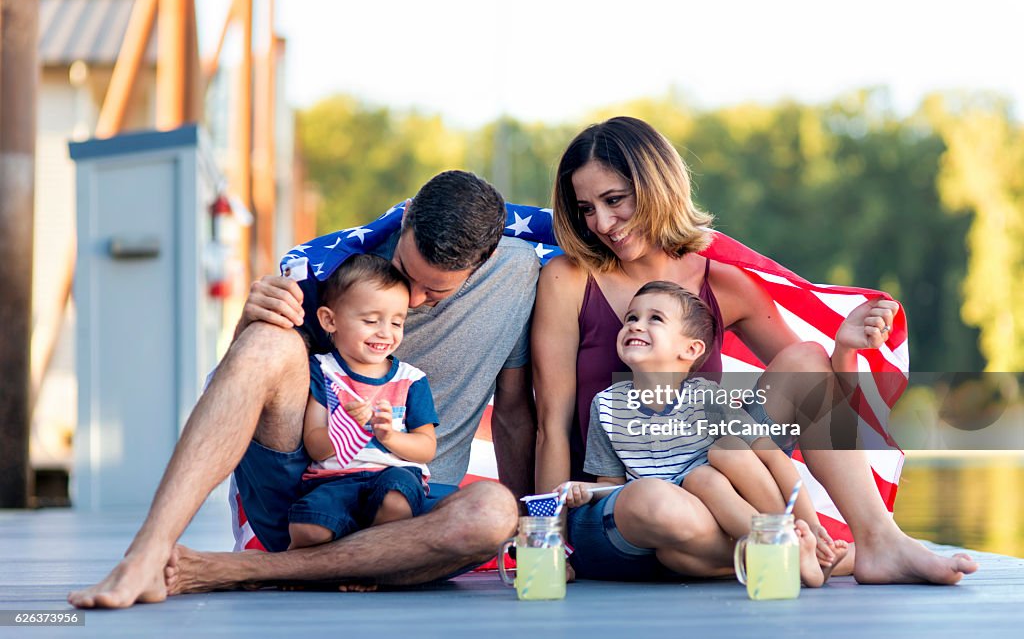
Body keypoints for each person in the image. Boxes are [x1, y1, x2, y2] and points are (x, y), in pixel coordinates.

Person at [533, 116, 978, 584]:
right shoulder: (569, 279)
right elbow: (551, 426)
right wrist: (549, 542)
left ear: (655, 186)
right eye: (586, 208)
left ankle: (877, 542)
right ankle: (792, 549)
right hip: (622, 505)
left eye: (615, 200)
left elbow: (820, 397)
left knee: (807, 359)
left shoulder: (722, 282)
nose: (602, 223)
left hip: (715, 493)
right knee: (658, 503)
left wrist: (843, 352)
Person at [69, 170, 539, 608]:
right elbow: (251, 380)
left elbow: (514, 412)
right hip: (308, 499)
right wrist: (249, 322)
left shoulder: (518, 275)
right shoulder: (331, 271)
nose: (411, 299)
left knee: (496, 513)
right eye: (403, 270)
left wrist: (534, 534)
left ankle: (243, 571)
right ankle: (148, 552)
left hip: (408, 516)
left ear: (488, 259)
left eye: (434, 292)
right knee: (268, 340)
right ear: (408, 215)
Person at [560, 280, 845, 584]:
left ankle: (786, 538)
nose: (636, 326)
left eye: (654, 318)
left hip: (720, 500)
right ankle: (785, 554)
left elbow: (773, 458)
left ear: (691, 349)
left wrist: (809, 523)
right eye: (631, 318)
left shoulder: (707, 397)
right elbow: (612, 485)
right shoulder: (606, 405)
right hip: (675, 518)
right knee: (674, 557)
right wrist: (586, 491)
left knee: (717, 462)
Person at [288, 254, 437, 552]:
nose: (385, 332)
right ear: (330, 320)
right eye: (370, 320)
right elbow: (315, 445)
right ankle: (324, 564)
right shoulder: (324, 371)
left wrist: (390, 437)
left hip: (392, 475)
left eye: (397, 322)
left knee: (396, 501)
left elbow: (427, 447)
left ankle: (369, 563)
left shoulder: (411, 380)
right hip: (334, 480)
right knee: (306, 526)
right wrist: (347, 425)